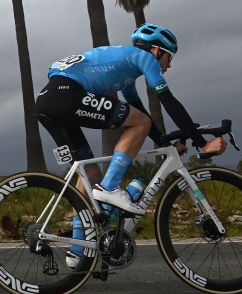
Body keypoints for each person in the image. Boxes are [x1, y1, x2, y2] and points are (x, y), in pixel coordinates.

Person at [34, 23, 226, 266]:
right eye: (169, 57)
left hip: (46, 102)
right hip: (67, 94)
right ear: (157, 51)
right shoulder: (144, 58)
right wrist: (202, 143)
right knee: (138, 125)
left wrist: (164, 141)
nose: (169, 64)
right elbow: (167, 101)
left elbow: (139, 111)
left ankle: (77, 250)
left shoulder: (126, 71)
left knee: (88, 173)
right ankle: (111, 188)